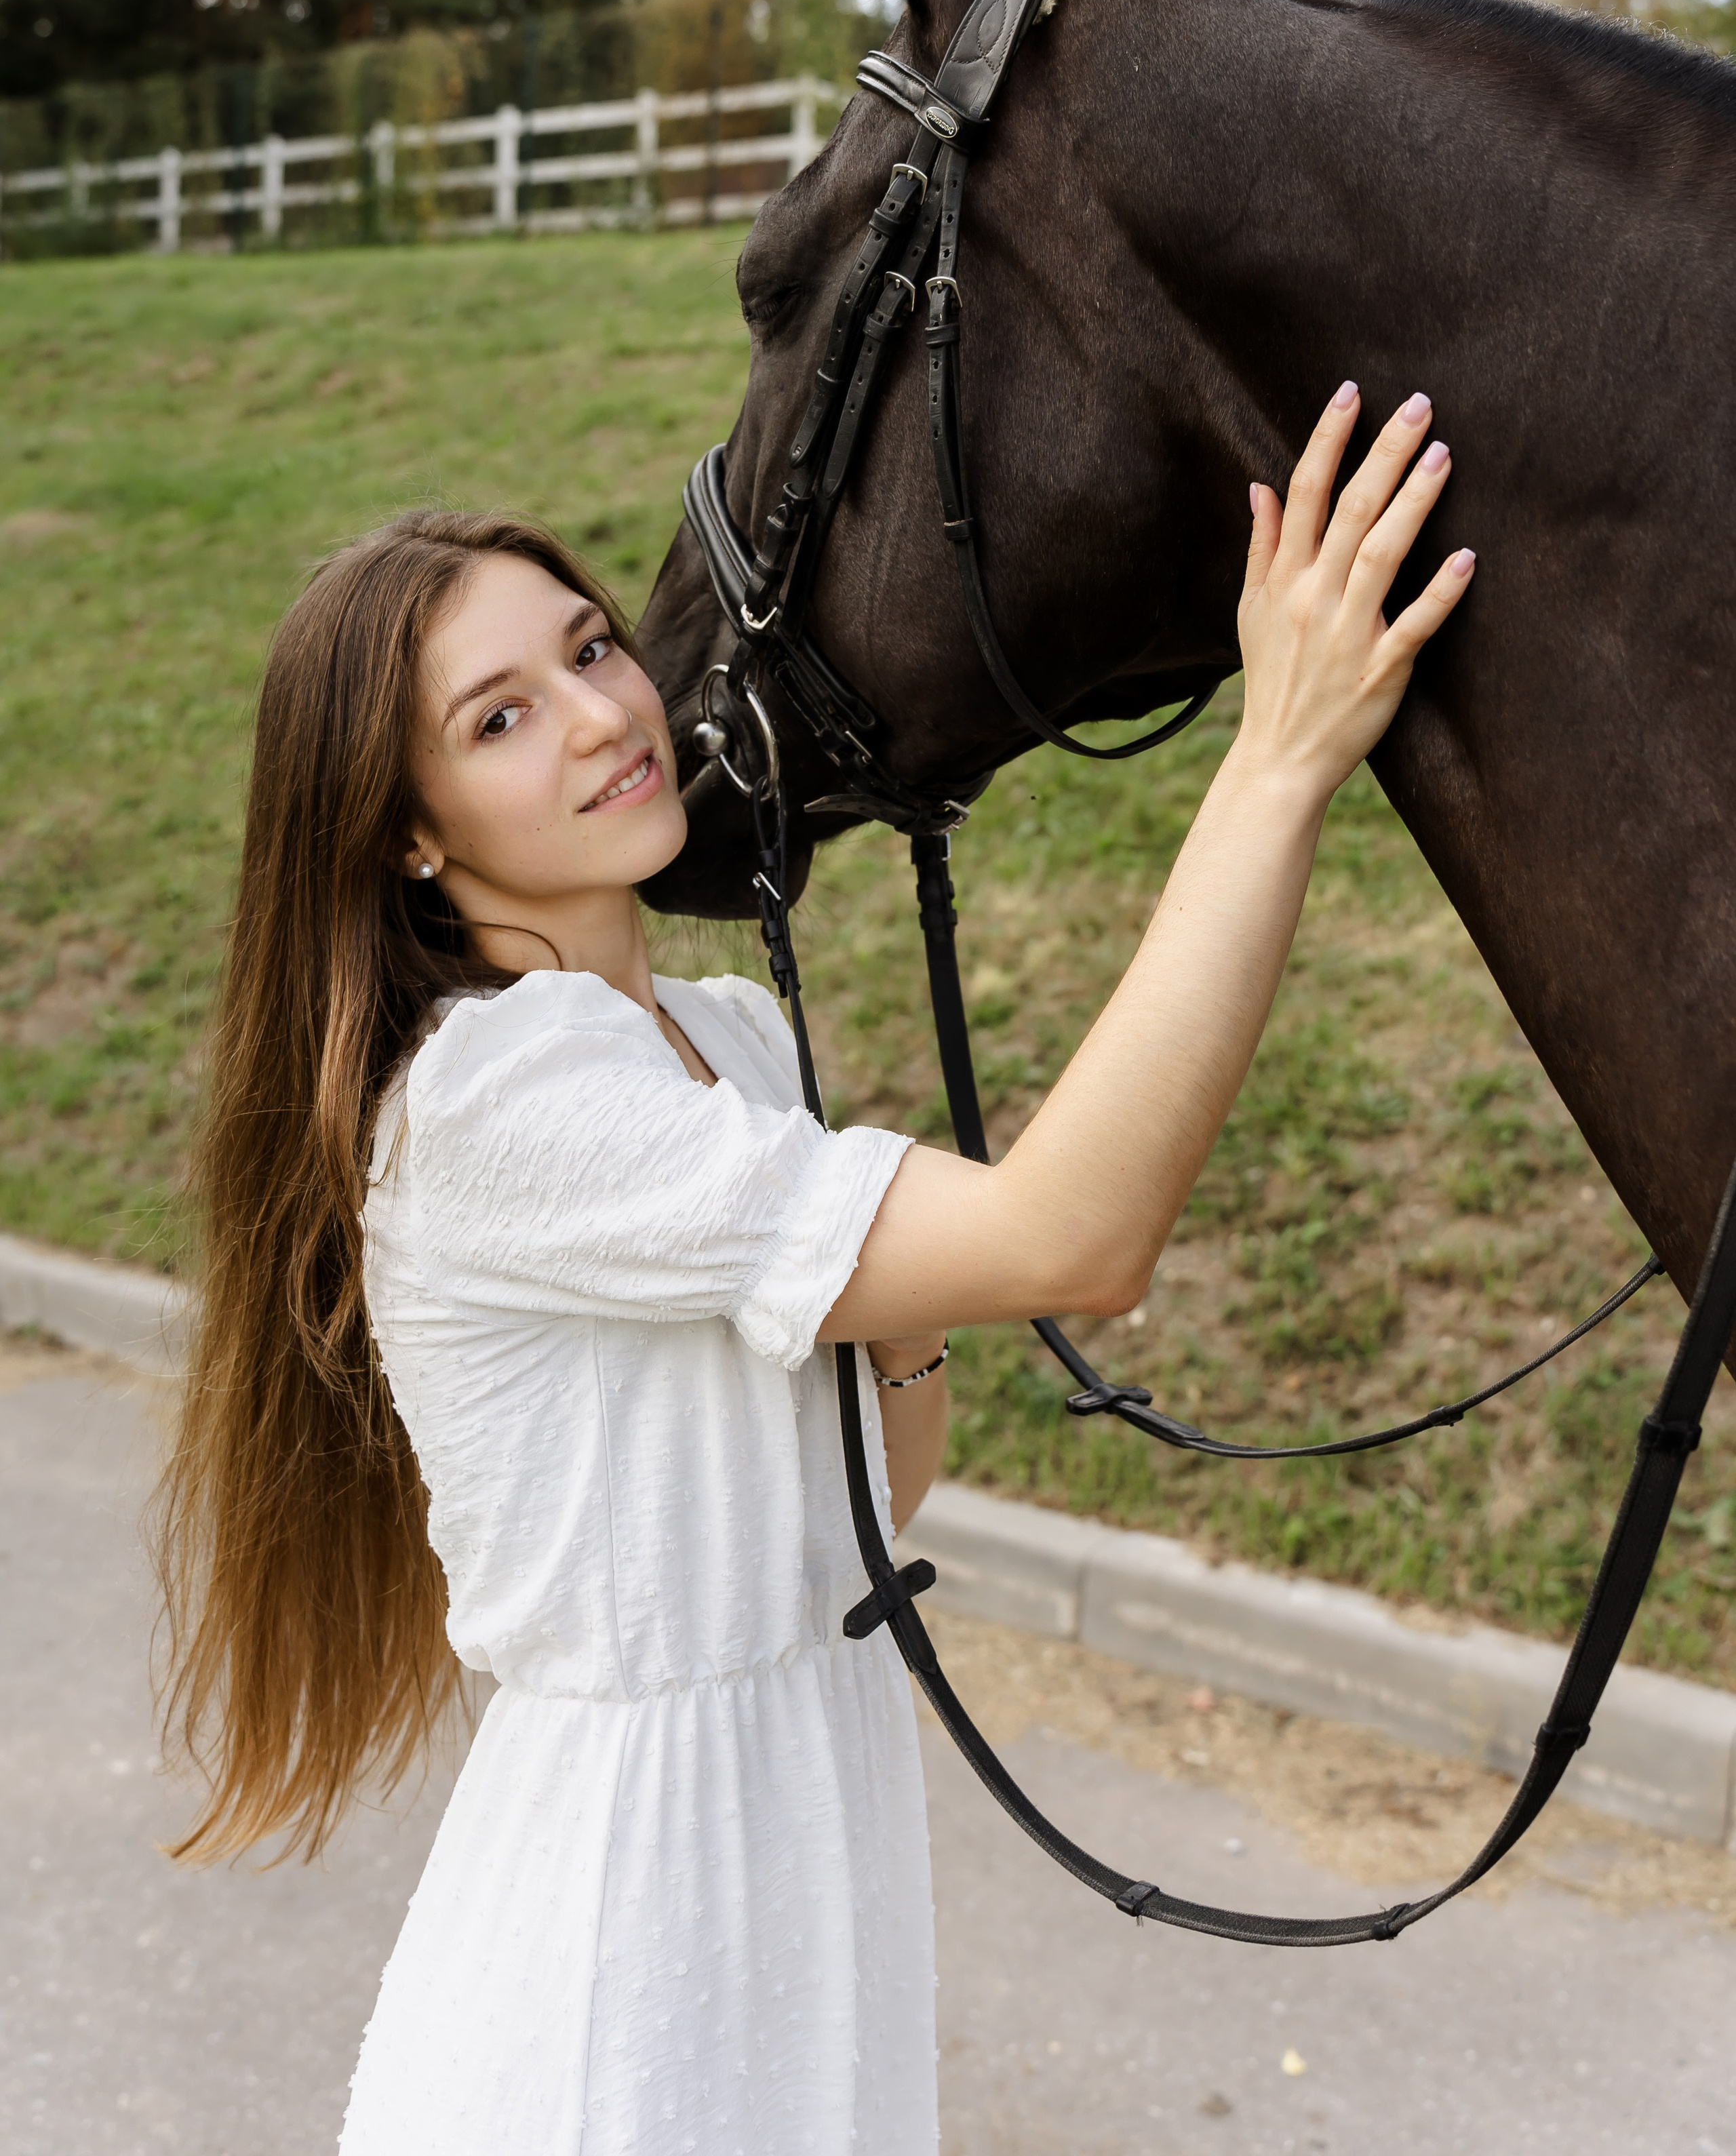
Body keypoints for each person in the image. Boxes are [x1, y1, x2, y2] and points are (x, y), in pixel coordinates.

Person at [155, 381, 1472, 2154]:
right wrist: (1282, 751)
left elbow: (872, 1497)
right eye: (499, 715)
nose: (602, 716)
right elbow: (1076, 1242)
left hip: (803, 1829)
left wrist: (894, 1307)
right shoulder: (490, 1096)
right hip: (627, 1936)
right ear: (409, 832)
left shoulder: (709, 1032)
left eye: (592, 649)